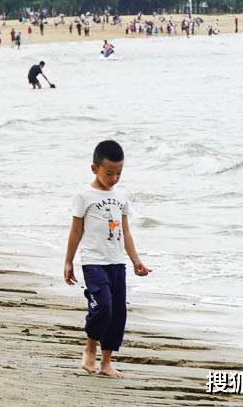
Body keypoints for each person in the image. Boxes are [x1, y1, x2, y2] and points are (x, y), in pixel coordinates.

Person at [62, 140, 151, 378]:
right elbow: (76, 231)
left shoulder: (121, 196)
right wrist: (68, 261)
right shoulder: (84, 195)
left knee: (118, 312)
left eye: (119, 173)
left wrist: (135, 260)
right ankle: (90, 348)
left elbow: (126, 231)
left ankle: (106, 362)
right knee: (103, 305)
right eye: (109, 173)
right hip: (93, 262)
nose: (114, 179)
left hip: (117, 262)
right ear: (95, 169)